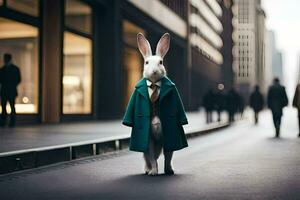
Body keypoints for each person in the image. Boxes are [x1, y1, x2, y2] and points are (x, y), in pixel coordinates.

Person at [0, 53, 21, 127]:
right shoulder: (2, 69)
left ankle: (12, 123)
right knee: (3, 107)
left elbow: (18, 79)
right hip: (4, 91)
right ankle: (3, 122)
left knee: (12, 107)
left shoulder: (15, 69)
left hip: (11, 91)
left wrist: (11, 85)